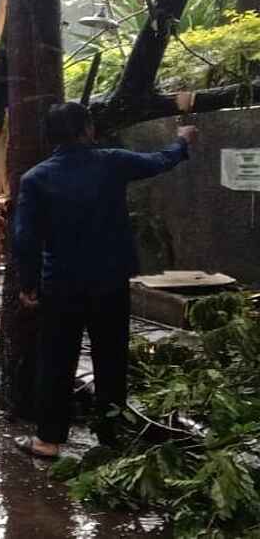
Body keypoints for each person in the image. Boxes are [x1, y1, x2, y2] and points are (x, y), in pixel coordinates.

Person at [12, 101, 197, 459]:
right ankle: (110, 437)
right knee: (110, 359)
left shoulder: (35, 178)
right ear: (87, 130)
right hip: (110, 283)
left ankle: (48, 440)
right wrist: (182, 142)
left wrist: (29, 285)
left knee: (56, 361)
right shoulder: (112, 162)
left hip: (61, 285)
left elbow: (26, 239)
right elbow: (160, 161)